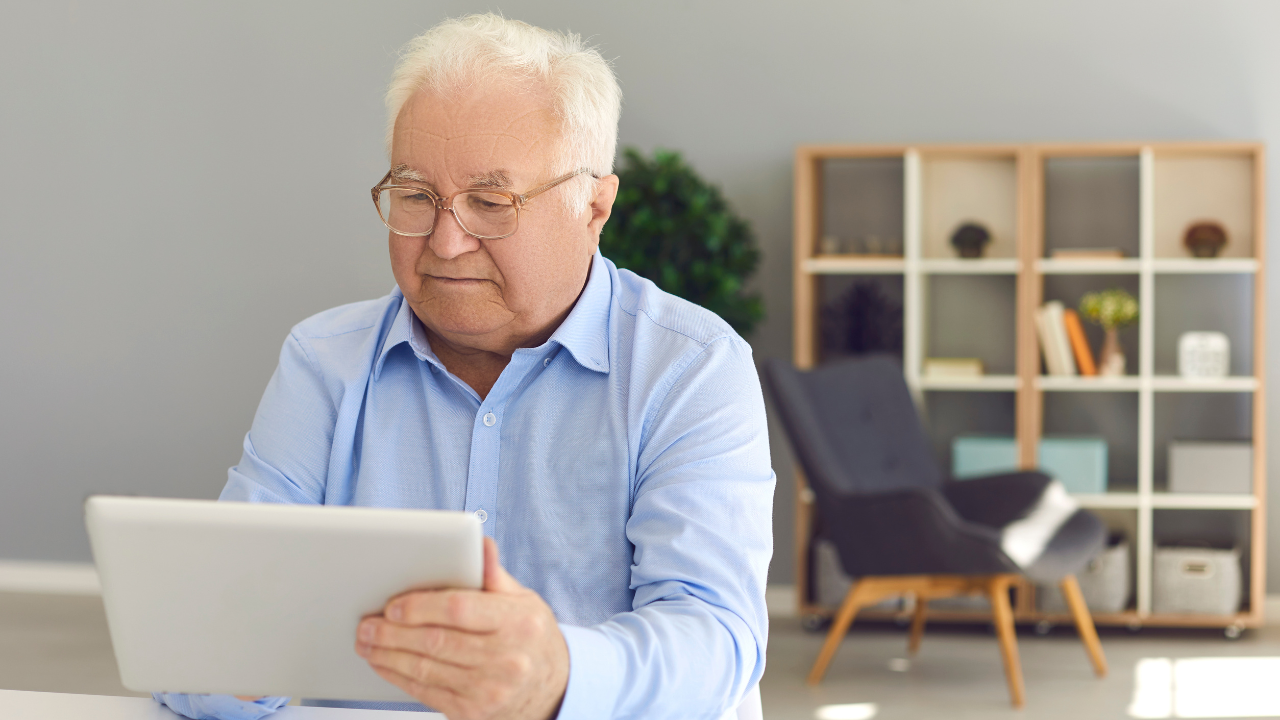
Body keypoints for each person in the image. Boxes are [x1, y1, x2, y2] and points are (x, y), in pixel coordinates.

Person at [154, 13, 773, 720]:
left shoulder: (689, 367)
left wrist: (559, 676)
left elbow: (716, 640)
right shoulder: (324, 361)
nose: (446, 243)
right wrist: (225, 661)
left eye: (490, 203)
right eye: (417, 197)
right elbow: (209, 636)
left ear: (594, 207)